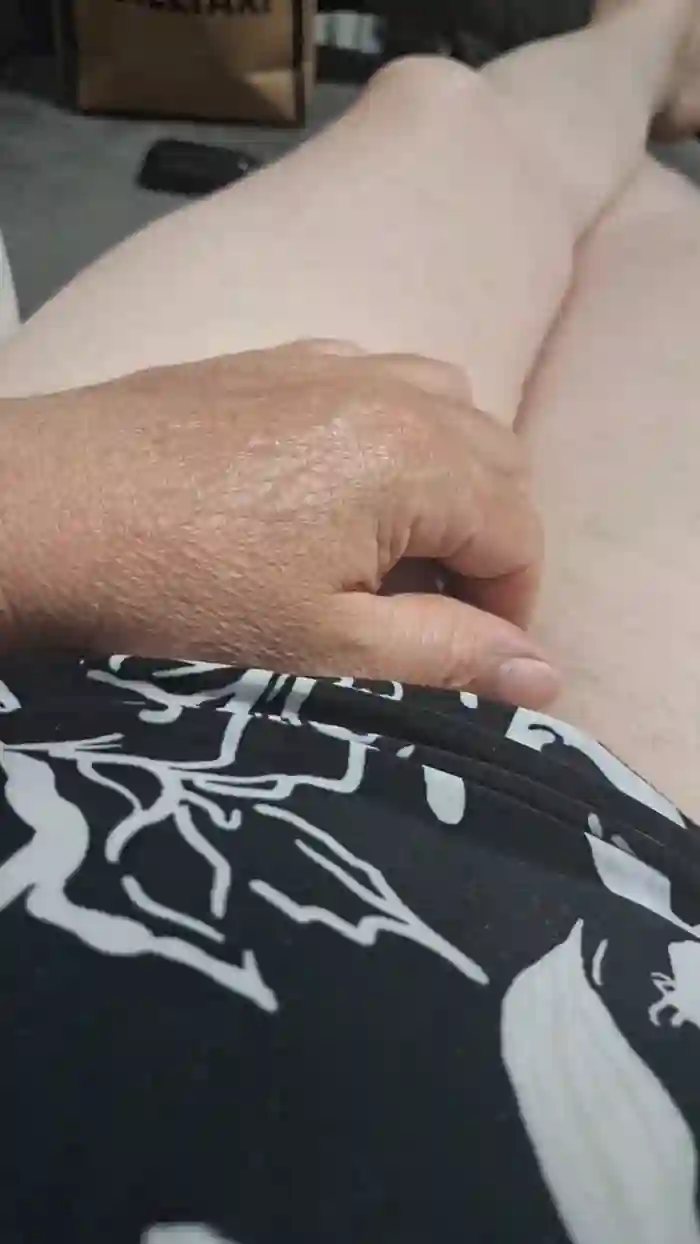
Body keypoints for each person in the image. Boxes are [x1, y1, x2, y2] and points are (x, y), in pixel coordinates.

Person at [1, 0, 700, 1240]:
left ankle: (636, 47)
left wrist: (42, 497)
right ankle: (640, 67)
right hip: (635, 886)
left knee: (454, 131)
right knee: (640, 246)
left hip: (58, 648)